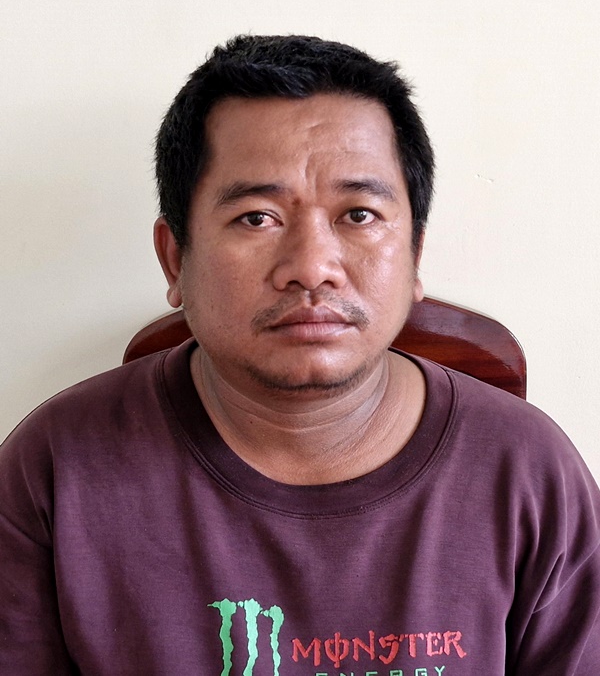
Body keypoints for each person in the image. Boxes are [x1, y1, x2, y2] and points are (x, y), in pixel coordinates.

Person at [0, 35, 598, 675]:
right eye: (257, 217)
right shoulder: (56, 469)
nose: (312, 268)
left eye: (359, 214)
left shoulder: (529, 473)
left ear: (415, 255)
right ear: (175, 259)